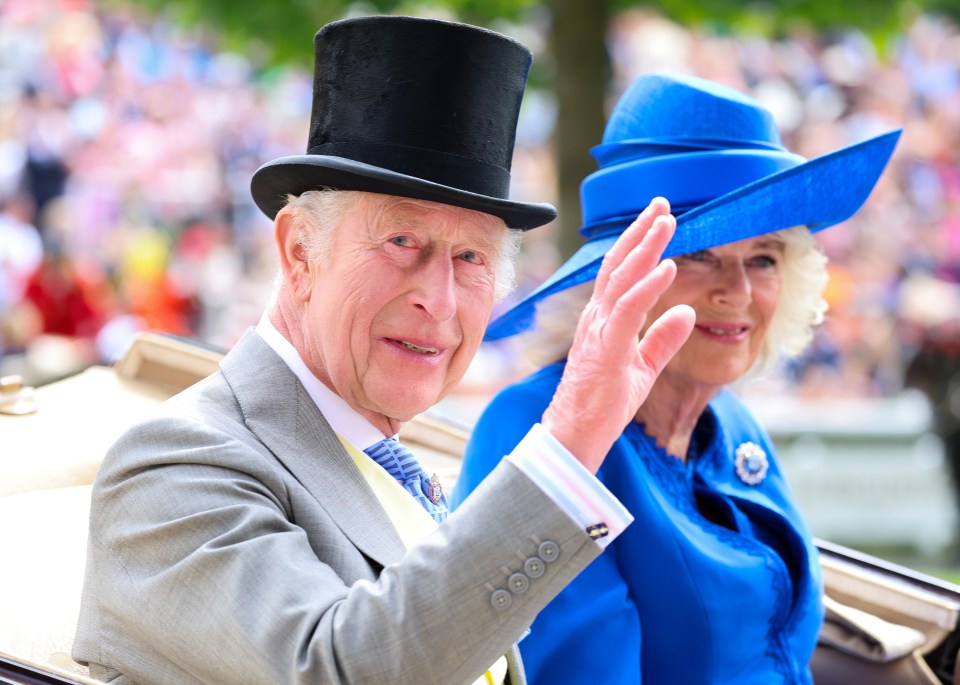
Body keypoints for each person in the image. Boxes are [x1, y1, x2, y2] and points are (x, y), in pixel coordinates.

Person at [72, 17, 697, 685]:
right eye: (403, 242)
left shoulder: (395, 461)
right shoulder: (174, 466)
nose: (441, 298)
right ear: (299, 252)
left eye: (470, 257)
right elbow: (342, 671)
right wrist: (569, 441)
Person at [453, 73, 901, 684]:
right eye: (698, 254)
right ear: (617, 278)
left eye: (763, 258)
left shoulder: (730, 421)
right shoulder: (531, 427)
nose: (737, 291)